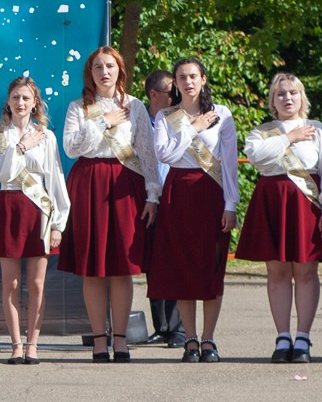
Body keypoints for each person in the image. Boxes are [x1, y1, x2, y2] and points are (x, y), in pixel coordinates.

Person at [60, 47, 160, 362]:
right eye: (98, 67)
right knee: (93, 268)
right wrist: (103, 121)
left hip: (125, 185)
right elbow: (73, 147)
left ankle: (121, 340)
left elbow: (147, 151)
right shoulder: (79, 108)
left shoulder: (136, 106)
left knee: (121, 268)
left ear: (120, 70)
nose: (104, 72)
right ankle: (98, 341)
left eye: (110, 66)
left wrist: (152, 194)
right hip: (89, 184)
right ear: (90, 74)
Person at [236, 72, 322, 363]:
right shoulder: (263, 131)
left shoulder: (317, 129)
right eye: (281, 93)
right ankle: (283, 337)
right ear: (273, 99)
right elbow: (258, 157)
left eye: (293, 93)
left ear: (301, 97)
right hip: (273, 202)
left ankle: (304, 338)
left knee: (307, 271)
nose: (287, 98)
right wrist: (289, 137)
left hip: (306, 205)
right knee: (278, 272)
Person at [149, 56, 237, 362]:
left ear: (203, 79)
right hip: (178, 193)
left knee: (211, 268)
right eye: (182, 77)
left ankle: (209, 339)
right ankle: (190, 339)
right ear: (176, 83)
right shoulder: (166, 116)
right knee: (183, 269)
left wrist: (231, 204)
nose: (188, 82)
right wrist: (193, 128)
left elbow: (229, 164)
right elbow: (164, 154)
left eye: (193, 76)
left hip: (212, 193)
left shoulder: (222, 114)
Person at [0, 74, 68, 363]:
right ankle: (15, 344)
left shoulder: (47, 136)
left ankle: (33, 343)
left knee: (37, 283)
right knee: (11, 284)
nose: (20, 102)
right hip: (10, 205)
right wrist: (19, 148)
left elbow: (55, 179)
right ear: (8, 102)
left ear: (35, 104)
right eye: (16, 97)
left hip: (39, 210)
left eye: (26, 98)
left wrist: (58, 222)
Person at [139, 67, 185, 348]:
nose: (178, 96)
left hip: (175, 197)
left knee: (175, 262)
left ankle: (178, 327)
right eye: (172, 92)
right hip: (146, 199)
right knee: (153, 264)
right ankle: (162, 326)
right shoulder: (137, 119)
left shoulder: (180, 120)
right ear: (154, 95)